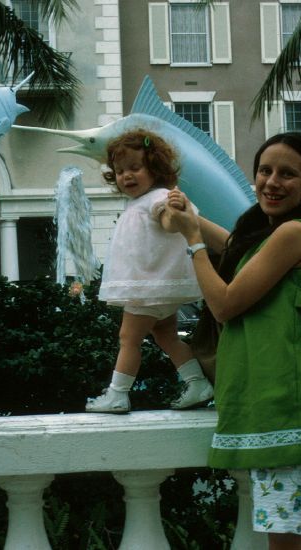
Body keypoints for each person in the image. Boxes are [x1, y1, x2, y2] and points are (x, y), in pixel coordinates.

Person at [166, 132, 301, 550]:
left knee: (290, 545)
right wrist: (189, 218)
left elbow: (225, 303)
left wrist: (192, 243)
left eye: (287, 174)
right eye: (265, 171)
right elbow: (235, 246)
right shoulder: (291, 235)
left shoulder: (293, 234)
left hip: (291, 415)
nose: (272, 182)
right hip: (299, 415)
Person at [86, 128, 214, 413]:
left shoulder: (158, 197)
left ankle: (118, 393)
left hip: (147, 288)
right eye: (119, 171)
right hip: (159, 287)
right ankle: (197, 382)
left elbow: (169, 221)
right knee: (165, 335)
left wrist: (173, 212)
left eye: (135, 167)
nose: (126, 175)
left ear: (155, 169)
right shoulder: (141, 201)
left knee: (128, 338)